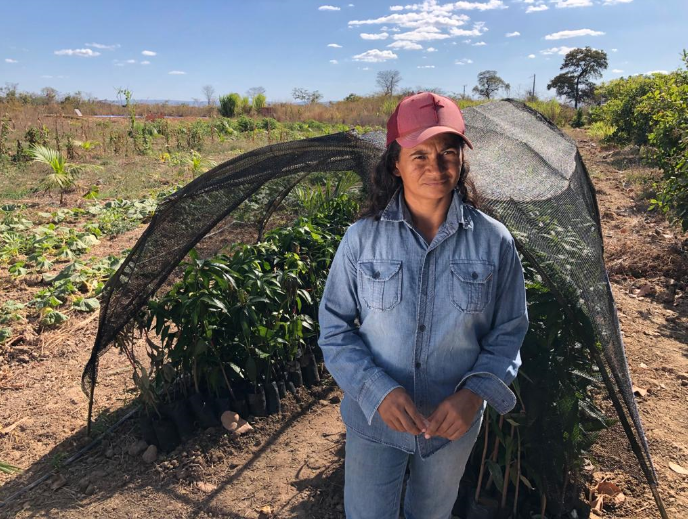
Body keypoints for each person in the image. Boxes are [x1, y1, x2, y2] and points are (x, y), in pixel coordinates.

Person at [317, 91, 529, 519]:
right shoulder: (362, 239)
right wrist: (378, 391)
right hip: (373, 420)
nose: (435, 167)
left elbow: (509, 331)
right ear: (395, 163)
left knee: (431, 513)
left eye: (447, 153)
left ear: (461, 162)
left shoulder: (494, 242)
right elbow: (334, 327)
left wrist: (473, 395)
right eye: (420, 155)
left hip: (452, 427)